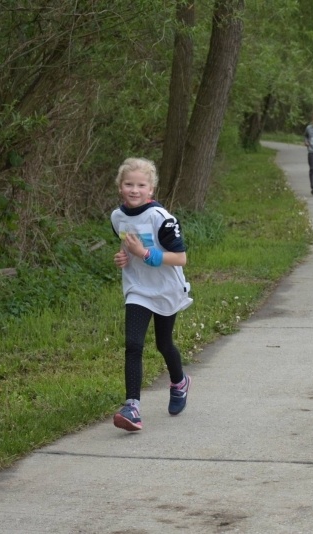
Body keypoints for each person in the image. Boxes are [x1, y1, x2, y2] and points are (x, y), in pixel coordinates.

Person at [110, 157, 193, 432]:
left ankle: (179, 382)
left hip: (166, 289)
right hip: (137, 288)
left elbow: (180, 258)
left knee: (163, 344)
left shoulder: (162, 219)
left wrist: (144, 254)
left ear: (151, 190)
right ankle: (132, 406)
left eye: (141, 185)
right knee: (133, 344)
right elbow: (126, 243)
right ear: (120, 187)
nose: (134, 190)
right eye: (129, 184)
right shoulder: (117, 217)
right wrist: (124, 257)